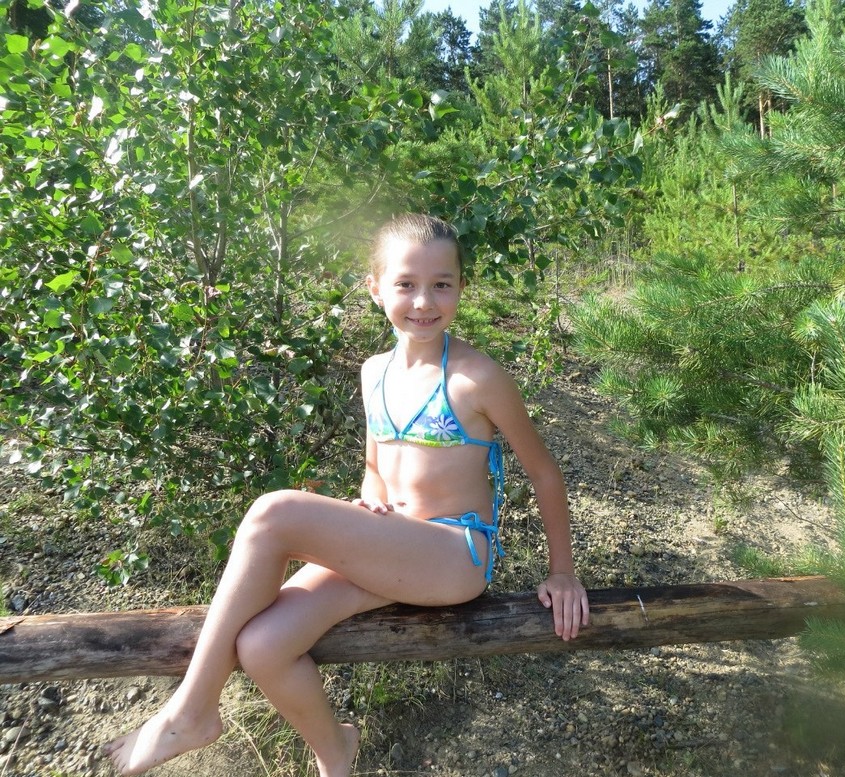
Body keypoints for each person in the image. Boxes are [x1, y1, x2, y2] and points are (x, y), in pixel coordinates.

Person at [104, 213, 590, 777]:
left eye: (441, 284)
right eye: (405, 284)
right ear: (375, 287)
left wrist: (562, 572)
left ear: (461, 286)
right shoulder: (373, 372)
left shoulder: (476, 378)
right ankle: (335, 750)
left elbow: (544, 472)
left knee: (273, 512)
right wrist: (370, 500)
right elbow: (375, 467)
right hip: (391, 551)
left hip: (453, 554)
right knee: (264, 645)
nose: (423, 301)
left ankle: (190, 711)